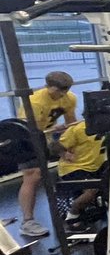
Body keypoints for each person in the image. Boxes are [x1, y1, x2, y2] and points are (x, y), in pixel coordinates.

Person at [18, 71, 76, 237]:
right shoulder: (35, 102)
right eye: (57, 91)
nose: (61, 95)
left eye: (64, 91)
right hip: (26, 141)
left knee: (81, 156)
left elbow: (71, 123)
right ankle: (27, 222)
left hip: (48, 137)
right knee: (33, 175)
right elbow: (30, 131)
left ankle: (77, 209)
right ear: (47, 86)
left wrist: (70, 145)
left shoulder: (69, 98)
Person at [53, 119, 106, 230]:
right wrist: (64, 154)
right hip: (73, 168)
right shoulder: (78, 129)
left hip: (94, 167)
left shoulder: (108, 126)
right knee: (92, 190)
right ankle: (72, 216)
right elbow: (55, 146)